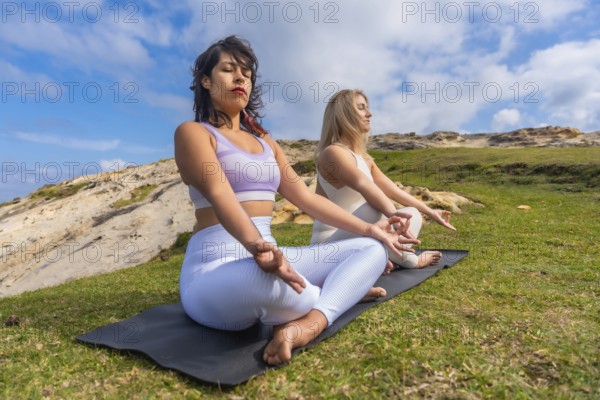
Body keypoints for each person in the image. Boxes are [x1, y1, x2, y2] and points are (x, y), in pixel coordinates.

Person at [174, 36, 413, 366]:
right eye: (228, 70)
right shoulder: (193, 133)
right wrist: (258, 247)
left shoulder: (266, 142)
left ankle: (309, 324)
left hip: (274, 258)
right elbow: (218, 192)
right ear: (205, 80)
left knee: (371, 250)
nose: (240, 78)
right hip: (216, 268)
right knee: (272, 284)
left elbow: (304, 198)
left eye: (246, 73)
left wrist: (372, 231)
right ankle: (339, 293)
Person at [311, 89, 457, 271]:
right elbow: (366, 186)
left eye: (367, 108)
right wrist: (393, 217)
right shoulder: (332, 153)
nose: (369, 113)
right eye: (361, 108)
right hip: (328, 246)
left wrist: (430, 212)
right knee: (374, 209)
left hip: (357, 235)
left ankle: (379, 259)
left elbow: (394, 191)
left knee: (412, 213)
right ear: (344, 114)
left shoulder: (363, 158)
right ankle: (411, 260)